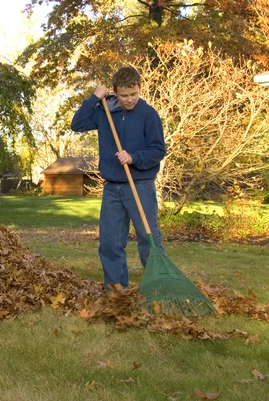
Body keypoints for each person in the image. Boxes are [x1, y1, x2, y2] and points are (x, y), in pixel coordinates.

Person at [70, 66, 166, 290]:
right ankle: (116, 290)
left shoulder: (148, 114)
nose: (130, 99)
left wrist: (134, 157)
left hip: (140, 185)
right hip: (112, 187)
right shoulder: (105, 110)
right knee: (110, 242)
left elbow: (158, 150)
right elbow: (77, 124)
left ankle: (158, 287)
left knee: (148, 239)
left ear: (139, 89)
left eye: (134, 94)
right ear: (114, 92)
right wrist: (94, 97)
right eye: (124, 96)